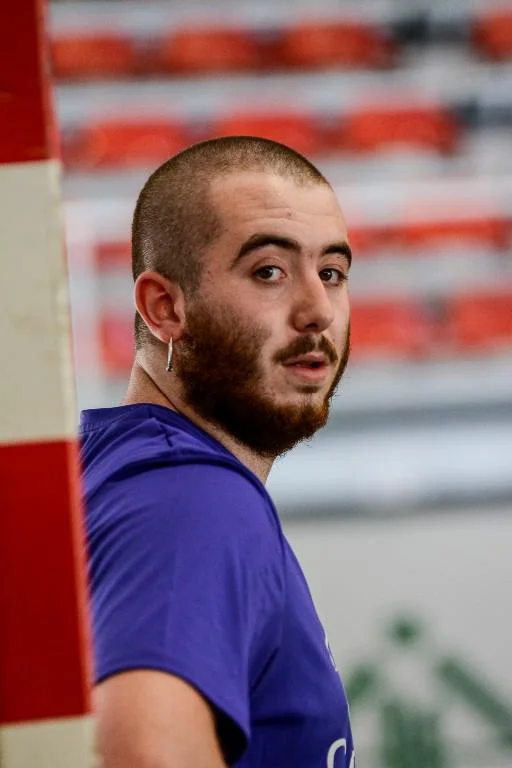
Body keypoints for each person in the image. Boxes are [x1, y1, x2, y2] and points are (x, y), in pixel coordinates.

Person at [80, 136, 355, 768]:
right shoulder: (191, 501)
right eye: (269, 272)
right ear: (165, 308)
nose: (318, 310)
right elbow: (140, 751)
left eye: (332, 273)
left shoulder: (122, 469)